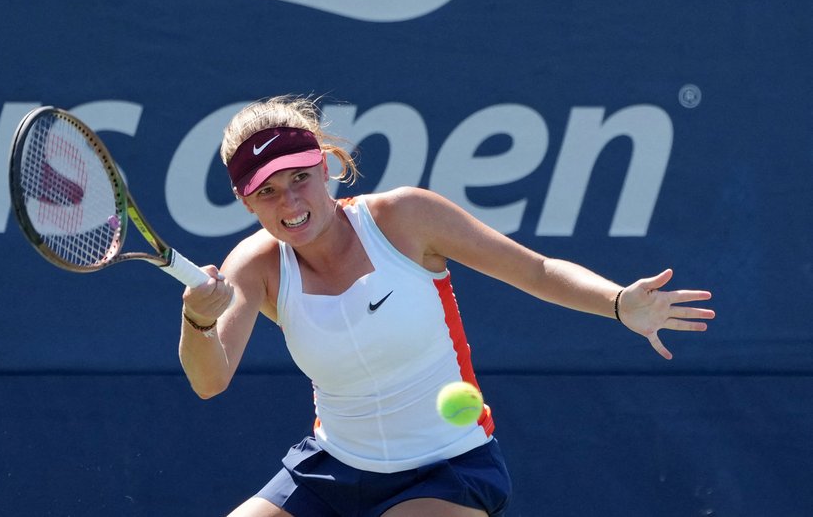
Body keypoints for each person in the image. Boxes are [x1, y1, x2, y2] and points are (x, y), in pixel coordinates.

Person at [179, 95, 715, 517]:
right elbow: (209, 380)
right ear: (246, 202)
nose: (291, 203)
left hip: (446, 471)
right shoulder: (255, 265)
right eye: (268, 192)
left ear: (326, 166)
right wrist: (198, 319)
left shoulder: (406, 218)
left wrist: (620, 303)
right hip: (332, 470)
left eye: (300, 178)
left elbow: (536, 270)